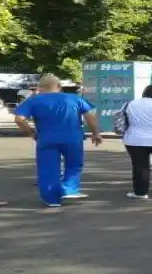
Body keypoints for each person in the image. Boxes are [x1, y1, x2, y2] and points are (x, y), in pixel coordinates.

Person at [13, 74, 102, 207]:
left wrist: (31, 133)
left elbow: (19, 119)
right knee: (74, 165)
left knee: (47, 168)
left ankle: (52, 200)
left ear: (40, 87)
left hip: (46, 138)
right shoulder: (74, 98)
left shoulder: (33, 100)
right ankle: (69, 189)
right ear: (59, 86)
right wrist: (96, 133)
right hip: (73, 138)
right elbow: (90, 116)